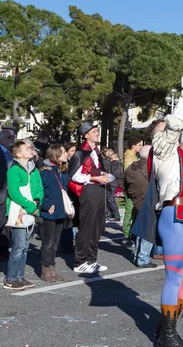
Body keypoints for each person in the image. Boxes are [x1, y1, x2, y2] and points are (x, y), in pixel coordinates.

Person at [141, 64, 183, 346]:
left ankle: (166, 327)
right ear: (158, 134)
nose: (171, 129)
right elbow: (176, 122)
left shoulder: (180, 156)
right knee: (175, 276)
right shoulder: (163, 149)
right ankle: (166, 335)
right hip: (172, 216)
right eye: (164, 127)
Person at [68, 122, 109, 274]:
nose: (97, 133)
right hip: (88, 190)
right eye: (94, 131)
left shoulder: (96, 151)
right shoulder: (80, 152)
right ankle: (80, 261)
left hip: (98, 189)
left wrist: (102, 176)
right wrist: (94, 178)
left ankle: (91, 260)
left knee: (96, 227)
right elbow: (74, 175)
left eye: (97, 130)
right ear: (86, 135)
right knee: (86, 227)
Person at [4, 141, 43, 291]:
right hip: (19, 211)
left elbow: (39, 187)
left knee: (25, 246)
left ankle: (20, 276)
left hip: (31, 210)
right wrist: (31, 206)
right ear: (19, 154)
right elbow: (14, 192)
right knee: (19, 246)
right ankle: (11, 278)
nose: (31, 149)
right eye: (27, 148)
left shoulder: (34, 170)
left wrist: (37, 201)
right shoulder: (14, 170)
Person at [120, 145, 157, 268]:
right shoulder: (150, 168)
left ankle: (138, 256)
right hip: (148, 200)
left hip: (137, 200)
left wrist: (130, 195)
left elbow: (121, 181)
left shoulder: (131, 168)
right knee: (147, 231)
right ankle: (142, 258)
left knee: (141, 229)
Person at [39, 144, 70, 282]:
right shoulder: (45, 172)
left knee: (55, 242)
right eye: (63, 152)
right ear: (55, 155)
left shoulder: (62, 171)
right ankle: (45, 269)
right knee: (48, 242)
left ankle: (52, 268)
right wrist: (46, 205)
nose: (66, 154)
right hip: (49, 211)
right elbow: (39, 192)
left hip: (60, 210)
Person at [122, 137, 143, 246]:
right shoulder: (130, 157)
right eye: (139, 145)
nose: (141, 147)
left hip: (134, 189)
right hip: (131, 189)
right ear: (133, 146)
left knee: (134, 212)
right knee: (130, 212)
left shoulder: (133, 156)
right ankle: (126, 235)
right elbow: (128, 174)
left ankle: (132, 234)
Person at [0, 126, 16, 261]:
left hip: (10, 194)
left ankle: (4, 251)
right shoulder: (1, 152)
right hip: (2, 193)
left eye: (13, 137)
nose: (12, 139)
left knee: (6, 224)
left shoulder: (12, 153)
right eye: (9, 137)